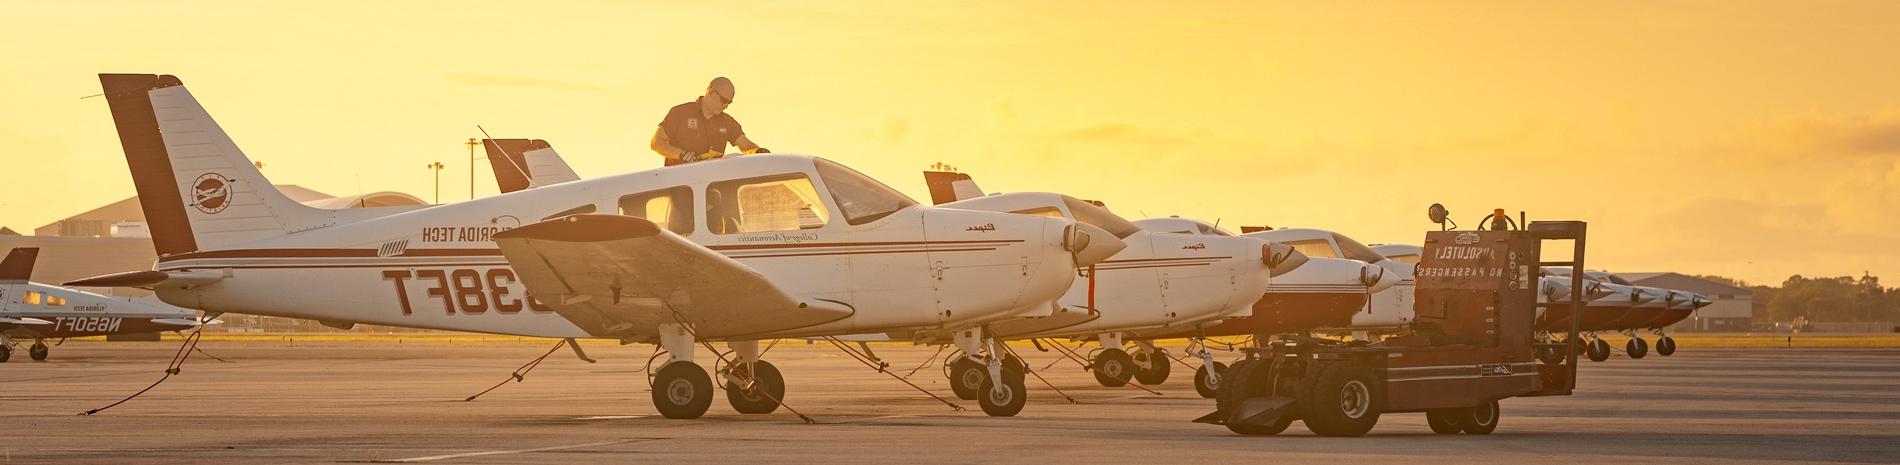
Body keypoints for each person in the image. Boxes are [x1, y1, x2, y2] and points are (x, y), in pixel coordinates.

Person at [651, 77, 768, 166]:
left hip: (711, 187)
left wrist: (759, 153)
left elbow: (746, 146)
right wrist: (681, 154)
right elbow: (656, 143)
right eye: (723, 100)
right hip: (680, 184)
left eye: (729, 102)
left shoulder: (727, 123)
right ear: (710, 92)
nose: (726, 105)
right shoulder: (681, 113)